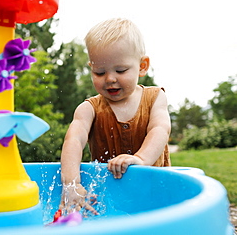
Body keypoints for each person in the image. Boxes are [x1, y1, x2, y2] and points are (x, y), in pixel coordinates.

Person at [59, 18, 171, 215]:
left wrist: (141, 159)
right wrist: (72, 184)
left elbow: (160, 129)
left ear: (142, 66)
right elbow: (73, 141)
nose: (110, 78)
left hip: (154, 191)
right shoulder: (89, 109)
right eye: (99, 72)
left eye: (121, 70)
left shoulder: (155, 98)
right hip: (109, 197)